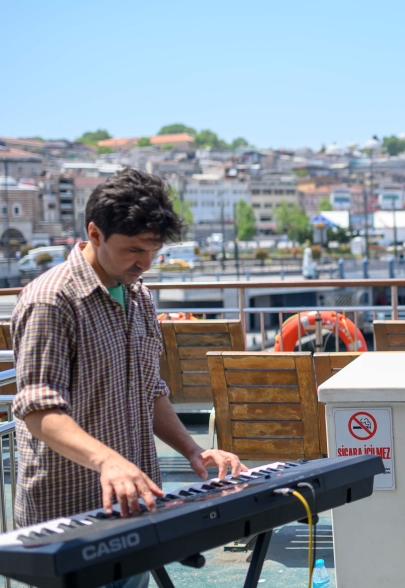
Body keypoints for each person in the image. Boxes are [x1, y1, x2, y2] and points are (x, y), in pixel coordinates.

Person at [12, 168, 247, 588]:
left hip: (134, 506)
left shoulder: (138, 294)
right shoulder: (51, 301)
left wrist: (192, 450)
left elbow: (149, 389)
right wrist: (108, 461)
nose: (145, 262)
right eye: (134, 249)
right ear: (95, 233)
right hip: (67, 515)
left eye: (153, 250)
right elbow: (37, 409)